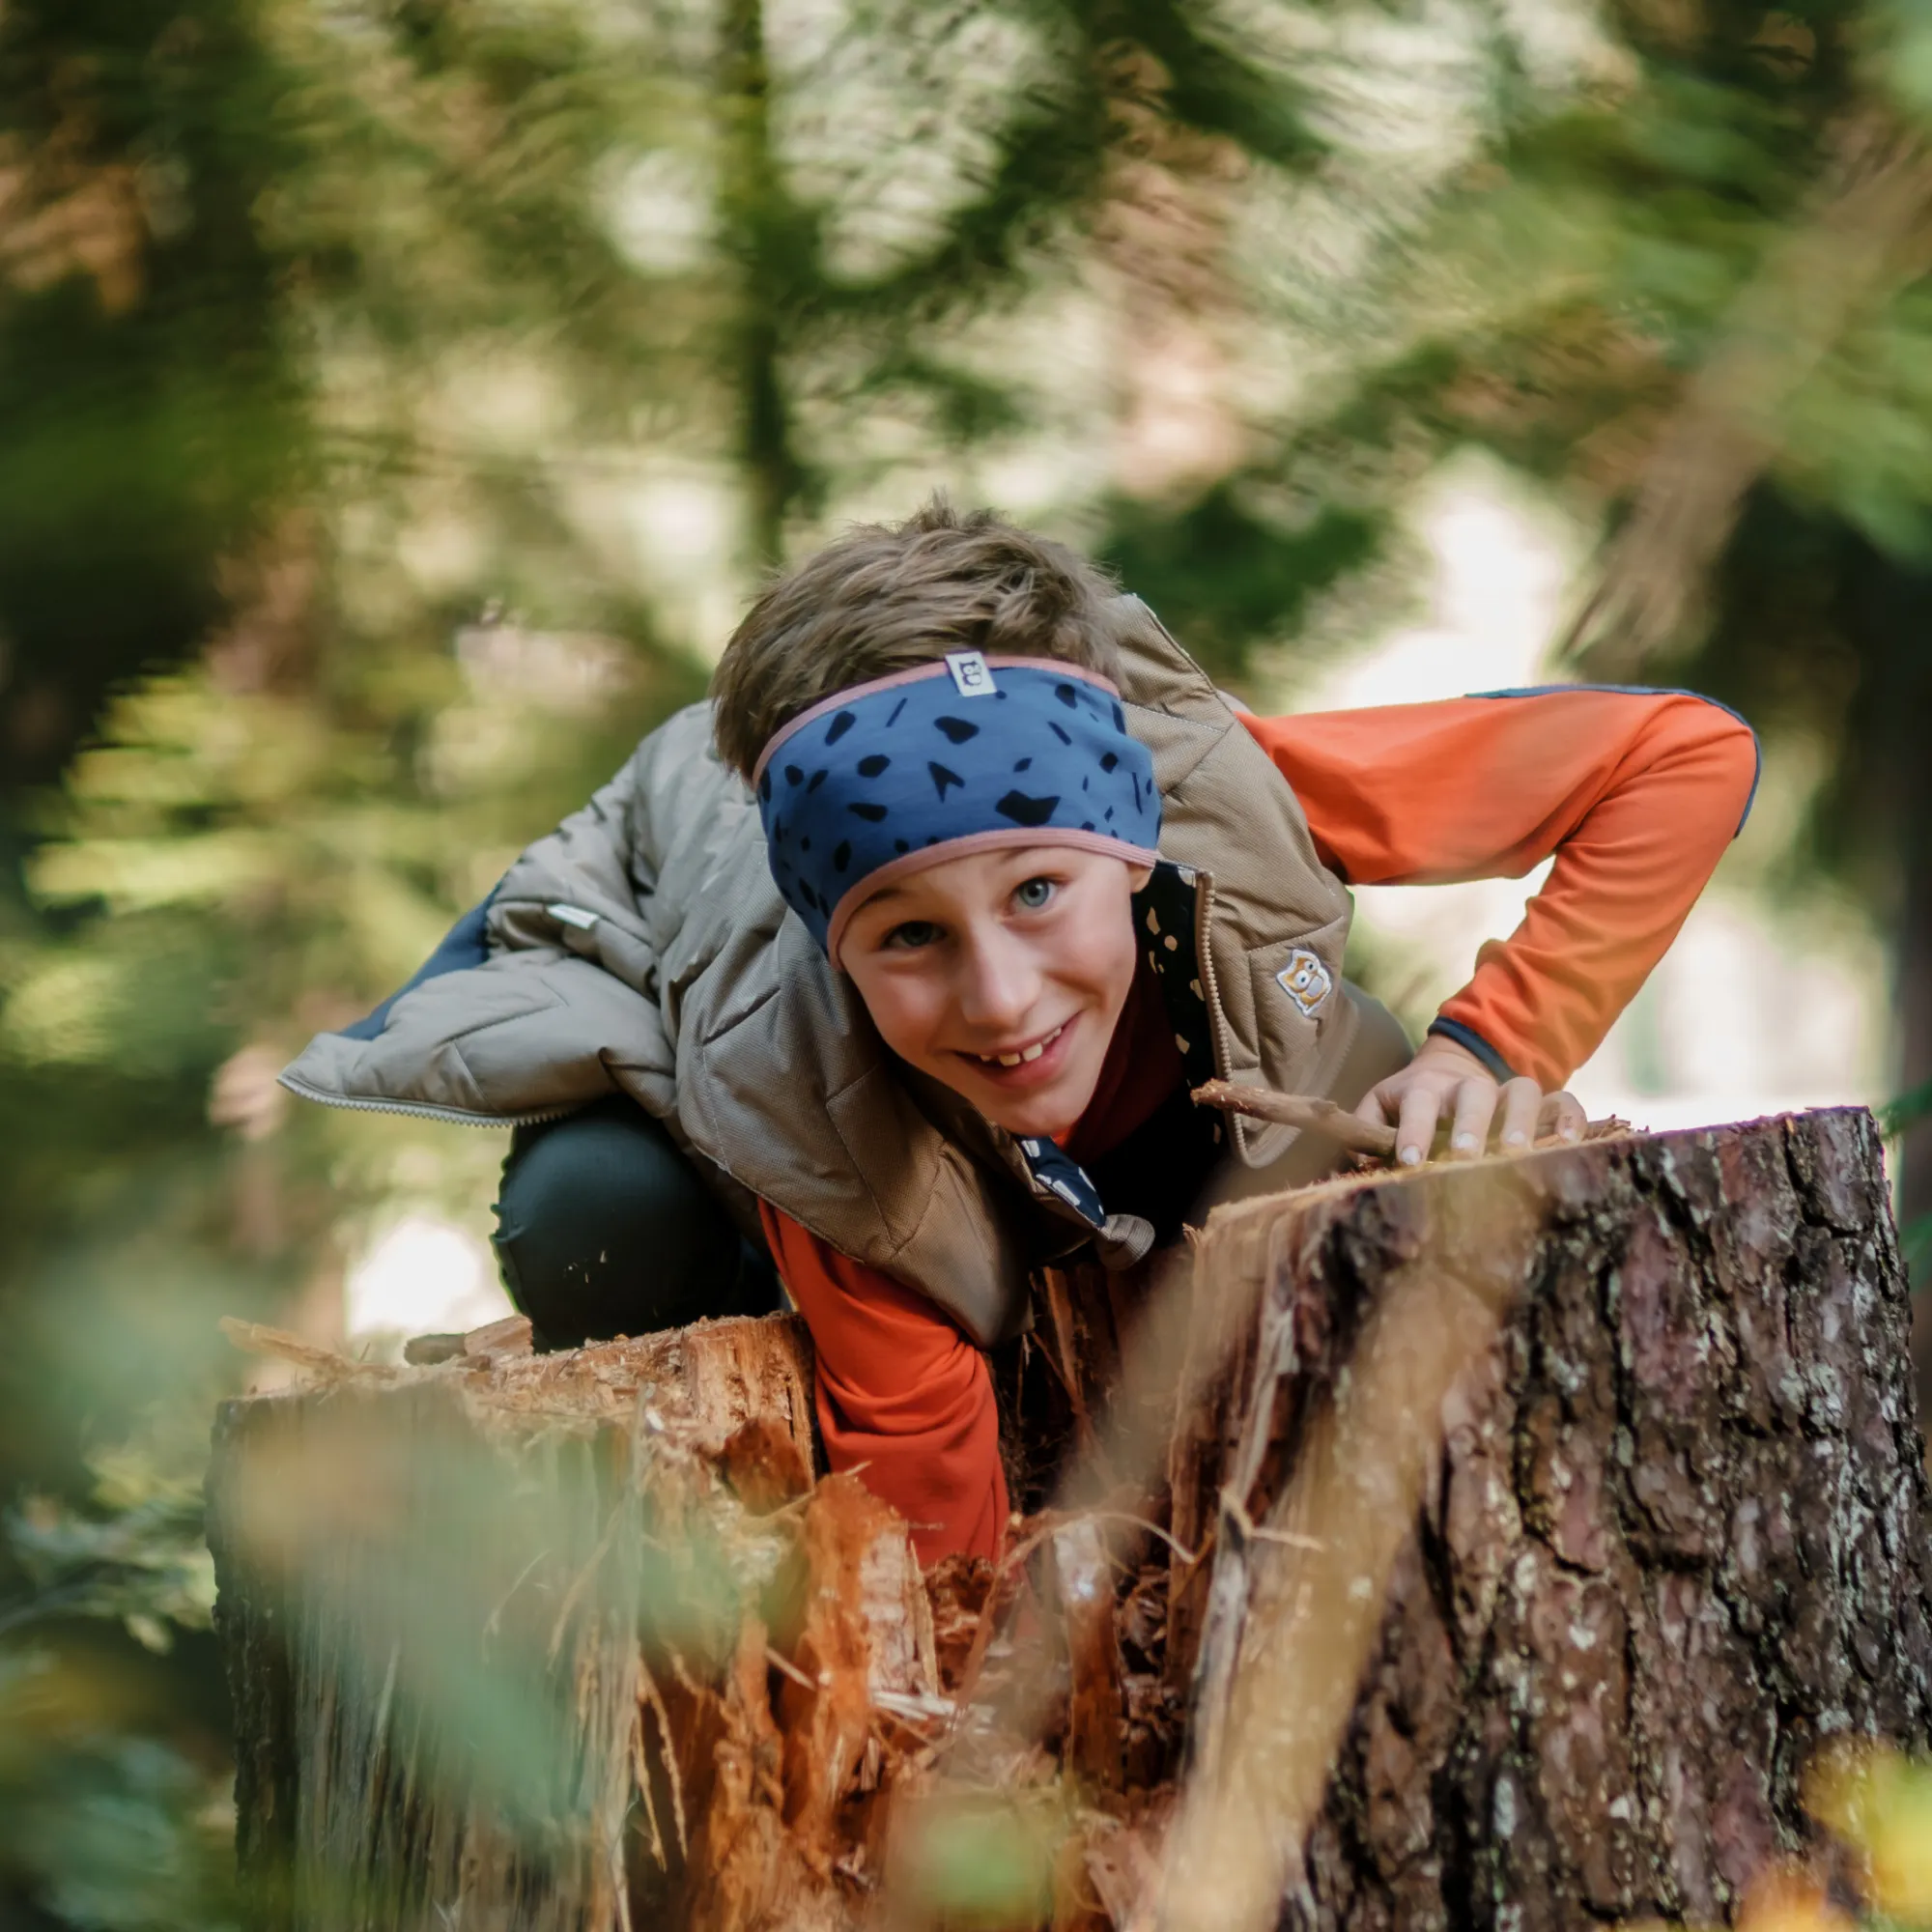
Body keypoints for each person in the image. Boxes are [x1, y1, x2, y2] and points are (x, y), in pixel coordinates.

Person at [281, 501, 1759, 1566]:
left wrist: (1492, 1047)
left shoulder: (1226, 802)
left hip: (1164, 1051)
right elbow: (933, 1520)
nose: (999, 998)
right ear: (834, 941)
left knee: (1352, 1137)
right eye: (910, 935)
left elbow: (1677, 756)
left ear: (1135, 846)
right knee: (598, 1213)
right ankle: (764, 1271)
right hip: (718, 1016)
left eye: (1040, 892)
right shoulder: (800, 1089)